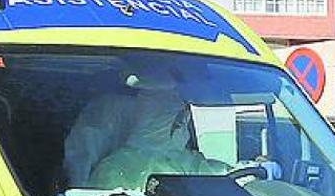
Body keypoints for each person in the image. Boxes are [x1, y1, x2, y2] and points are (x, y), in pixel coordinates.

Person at [63, 78, 228, 190]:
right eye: (179, 117)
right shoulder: (117, 168)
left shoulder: (183, 159)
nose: (182, 124)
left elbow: (220, 175)